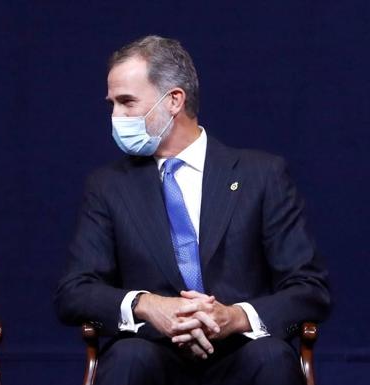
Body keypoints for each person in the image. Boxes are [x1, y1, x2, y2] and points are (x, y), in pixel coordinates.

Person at [54, 36, 330, 385]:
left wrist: (234, 317)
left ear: (174, 101)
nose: (115, 116)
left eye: (126, 102)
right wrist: (147, 304)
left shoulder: (262, 175)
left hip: (242, 351)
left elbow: (309, 288)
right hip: (152, 350)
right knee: (127, 357)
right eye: (112, 104)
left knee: (272, 357)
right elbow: (74, 291)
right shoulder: (108, 186)